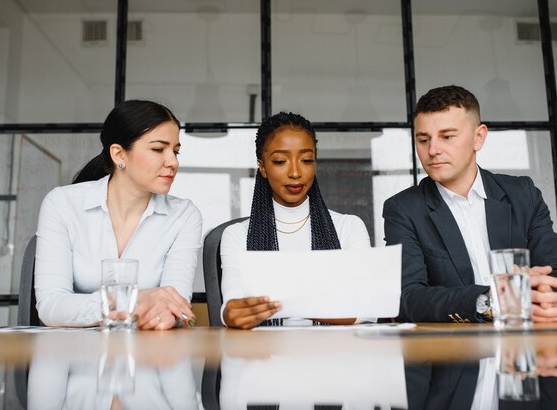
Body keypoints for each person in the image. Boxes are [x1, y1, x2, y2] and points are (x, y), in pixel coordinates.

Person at [383, 85, 557, 323]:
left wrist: (554, 305)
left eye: (447, 137)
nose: (433, 150)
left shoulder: (523, 195)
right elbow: (408, 298)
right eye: (423, 139)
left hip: (528, 346)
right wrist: (493, 300)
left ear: (479, 137)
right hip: (450, 352)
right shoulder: (403, 209)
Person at [35, 100, 202, 330]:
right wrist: (135, 300)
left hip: (149, 353)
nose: (173, 162)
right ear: (119, 154)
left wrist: (162, 313)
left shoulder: (184, 215)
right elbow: (51, 307)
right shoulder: (62, 204)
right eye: (158, 149)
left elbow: (175, 305)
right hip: (75, 354)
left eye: (175, 151)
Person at [220, 112, 372, 329]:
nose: (295, 172)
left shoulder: (348, 227)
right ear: (262, 167)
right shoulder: (237, 235)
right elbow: (232, 306)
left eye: (306, 160)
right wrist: (230, 314)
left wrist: (289, 306)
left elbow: (368, 309)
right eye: (280, 161)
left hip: (334, 357)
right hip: (264, 357)